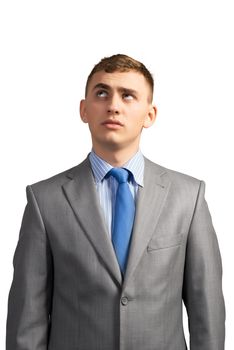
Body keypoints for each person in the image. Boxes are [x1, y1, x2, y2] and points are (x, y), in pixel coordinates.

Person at [6, 54, 225, 350]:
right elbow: (26, 323)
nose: (113, 105)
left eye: (128, 95)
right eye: (101, 93)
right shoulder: (44, 200)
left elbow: (206, 316)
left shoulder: (189, 196)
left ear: (150, 114)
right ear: (84, 110)